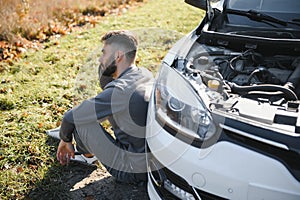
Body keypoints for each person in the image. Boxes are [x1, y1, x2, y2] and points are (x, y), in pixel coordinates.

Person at [56, 30, 154, 184]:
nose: (100, 60)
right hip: (151, 161)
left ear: (118, 56)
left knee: (81, 123)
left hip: (132, 169)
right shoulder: (145, 74)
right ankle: (89, 152)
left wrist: (65, 139)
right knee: (90, 113)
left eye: (104, 53)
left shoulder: (119, 91)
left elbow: (71, 117)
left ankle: (87, 156)